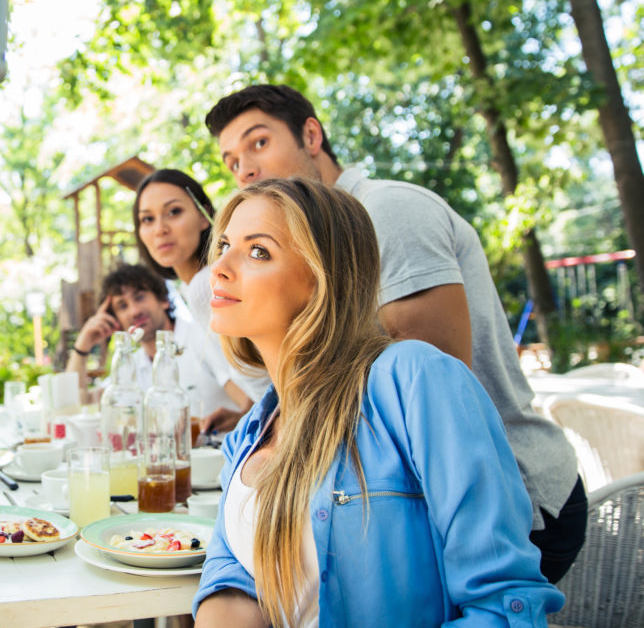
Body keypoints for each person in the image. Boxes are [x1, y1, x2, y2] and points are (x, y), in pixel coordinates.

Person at [206, 83, 585, 583]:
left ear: (312, 135)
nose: (246, 169)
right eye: (232, 162)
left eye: (258, 143)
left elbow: (437, 388)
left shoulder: (387, 210)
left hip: (507, 494)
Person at [193, 178, 563, 626]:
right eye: (226, 244)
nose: (219, 268)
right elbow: (231, 578)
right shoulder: (248, 436)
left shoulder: (413, 381)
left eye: (258, 252)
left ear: (320, 279)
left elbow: (504, 603)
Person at [132, 168, 271, 431]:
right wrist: (241, 416)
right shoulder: (192, 295)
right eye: (147, 219)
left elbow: (269, 385)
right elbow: (254, 385)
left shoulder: (209, 284)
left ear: (203, 215)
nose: (160, 229)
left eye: (174, 212)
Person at [66, 264, 235, 415]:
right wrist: (82, 346)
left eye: (139, 297)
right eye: (122, 306)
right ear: (116, 321)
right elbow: (77, 401)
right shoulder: (133, 363)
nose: (134, 311)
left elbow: (252, 398)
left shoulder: (203, 336)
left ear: (163, 300)